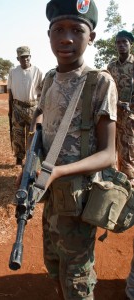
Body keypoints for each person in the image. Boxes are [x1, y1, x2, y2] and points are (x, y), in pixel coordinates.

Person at [25, 0, 118, 298]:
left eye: (77, 30)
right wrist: (30, 161)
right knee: (53, 263)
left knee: (76, 278)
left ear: (90, 36)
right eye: (58, 30)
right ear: (49, 34)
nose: (66, 38)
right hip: (50, 195)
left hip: (80, 199)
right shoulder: (50, 78)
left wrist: (56, 171)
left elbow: (108, 154)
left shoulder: (99, 82)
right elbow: (40, 116)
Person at [107, 30, 134, 300]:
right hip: (113, 117)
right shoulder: (111, 67)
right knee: (110, 153)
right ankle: (114, 186)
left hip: (131, 118)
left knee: (129, 157)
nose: (121, 46)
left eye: (124, 42)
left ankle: (128, 192)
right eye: (118, 43)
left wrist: (130, 105)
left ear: (131, 45)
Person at [7, 46, 42, 166]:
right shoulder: (13, 72)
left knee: (32, 134)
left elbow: (41, 92)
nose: (25, 59)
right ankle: (19, 158)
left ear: (30, 57)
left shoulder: (37, 71)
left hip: (33, 107)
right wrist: (10, 110)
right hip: (17, 107)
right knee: (18, 134)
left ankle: (31, 158)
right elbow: (10, 91)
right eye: (22, 57)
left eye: (27, 56)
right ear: (18, 58)